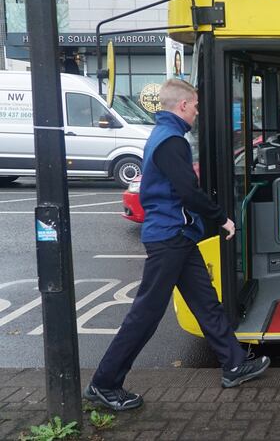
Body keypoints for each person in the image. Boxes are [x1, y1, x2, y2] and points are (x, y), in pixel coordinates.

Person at [85, 79, 269, 411]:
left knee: (206, 303)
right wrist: (221, 218)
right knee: (146, 314)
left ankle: (234, 364)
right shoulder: (172, 141)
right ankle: (105, 383)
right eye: (195, 106)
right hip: (169, 237)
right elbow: (187, 191)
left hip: (179, 237)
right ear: (183, 105)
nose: (197, 112)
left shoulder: (164, 135)